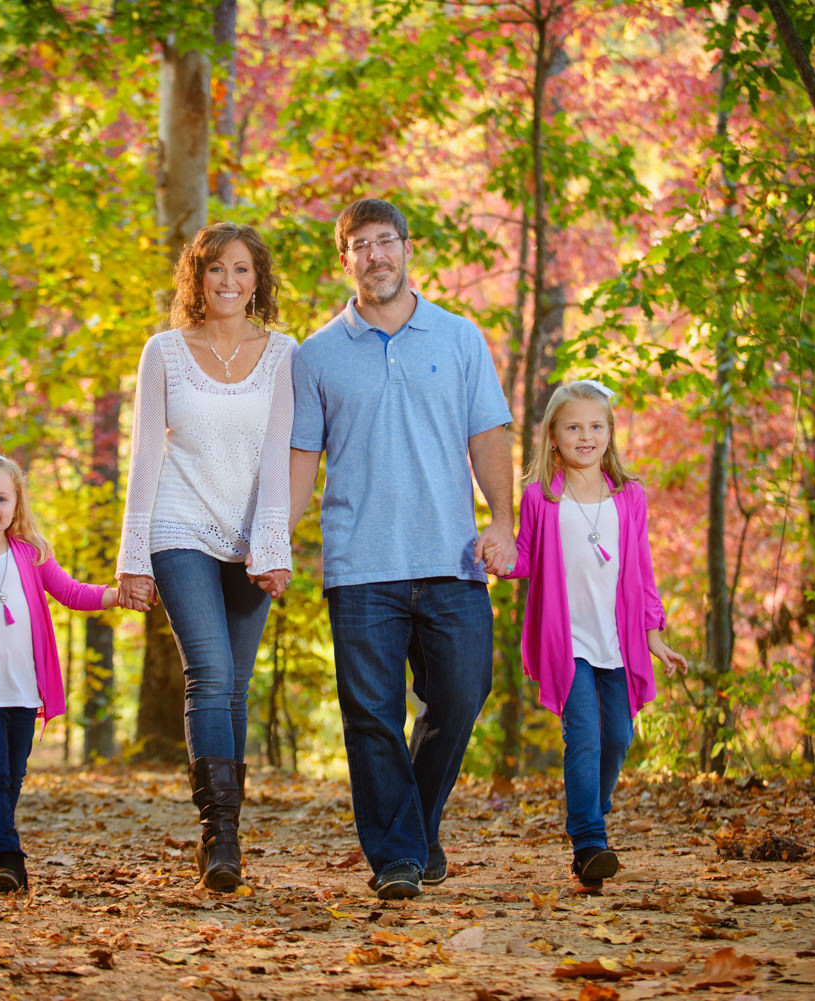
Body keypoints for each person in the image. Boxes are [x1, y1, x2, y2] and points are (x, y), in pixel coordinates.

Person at [290, 198, 515, 900]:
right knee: (371, 716)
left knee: (463, 691)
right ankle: (396, 857)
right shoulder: (317, 352)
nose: (376, 255)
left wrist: (502, 520)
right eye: (361, 244)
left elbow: (489, 436)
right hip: (361, 566)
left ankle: (411, 828)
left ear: (407, 248)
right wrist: (276, 539)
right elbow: (301, 456)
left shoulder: (458, 336)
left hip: (451, 558)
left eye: (386, 241)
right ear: (345, 257)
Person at [116, 222, 295, 892]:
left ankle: (229, 832)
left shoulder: (283, 354)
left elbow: (280, 456)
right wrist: (133, 556)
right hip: (178, 526)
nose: (228, 282)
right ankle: (219, 831)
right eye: (215, 269)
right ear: (196, 277)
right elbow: (142, 457)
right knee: (210, 670)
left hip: (249, 535)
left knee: (235, 685)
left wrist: (273, 544)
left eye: (242, 270)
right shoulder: (163, 352)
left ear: (259, 279)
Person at [0, 450, 140, 893]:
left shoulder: (31, 556)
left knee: (14, 775)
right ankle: (8, 859)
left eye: (0, 498)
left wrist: (117, 596)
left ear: (16, 505)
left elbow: (71, 593)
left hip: (20, 687)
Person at [503, 380, 687, 889]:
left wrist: (654, 635)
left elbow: (644, 572)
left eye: (596, 425)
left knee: (619, 737)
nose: (586, 435)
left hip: (620, 640)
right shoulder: (541, 498)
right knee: (582, 737)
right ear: (553, 438)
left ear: (609, 433)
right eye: (573, 426)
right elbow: (524, 558)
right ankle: (589, 843)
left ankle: (593, 807)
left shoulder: (630, 498)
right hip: (569, 642)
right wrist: (496, 557)